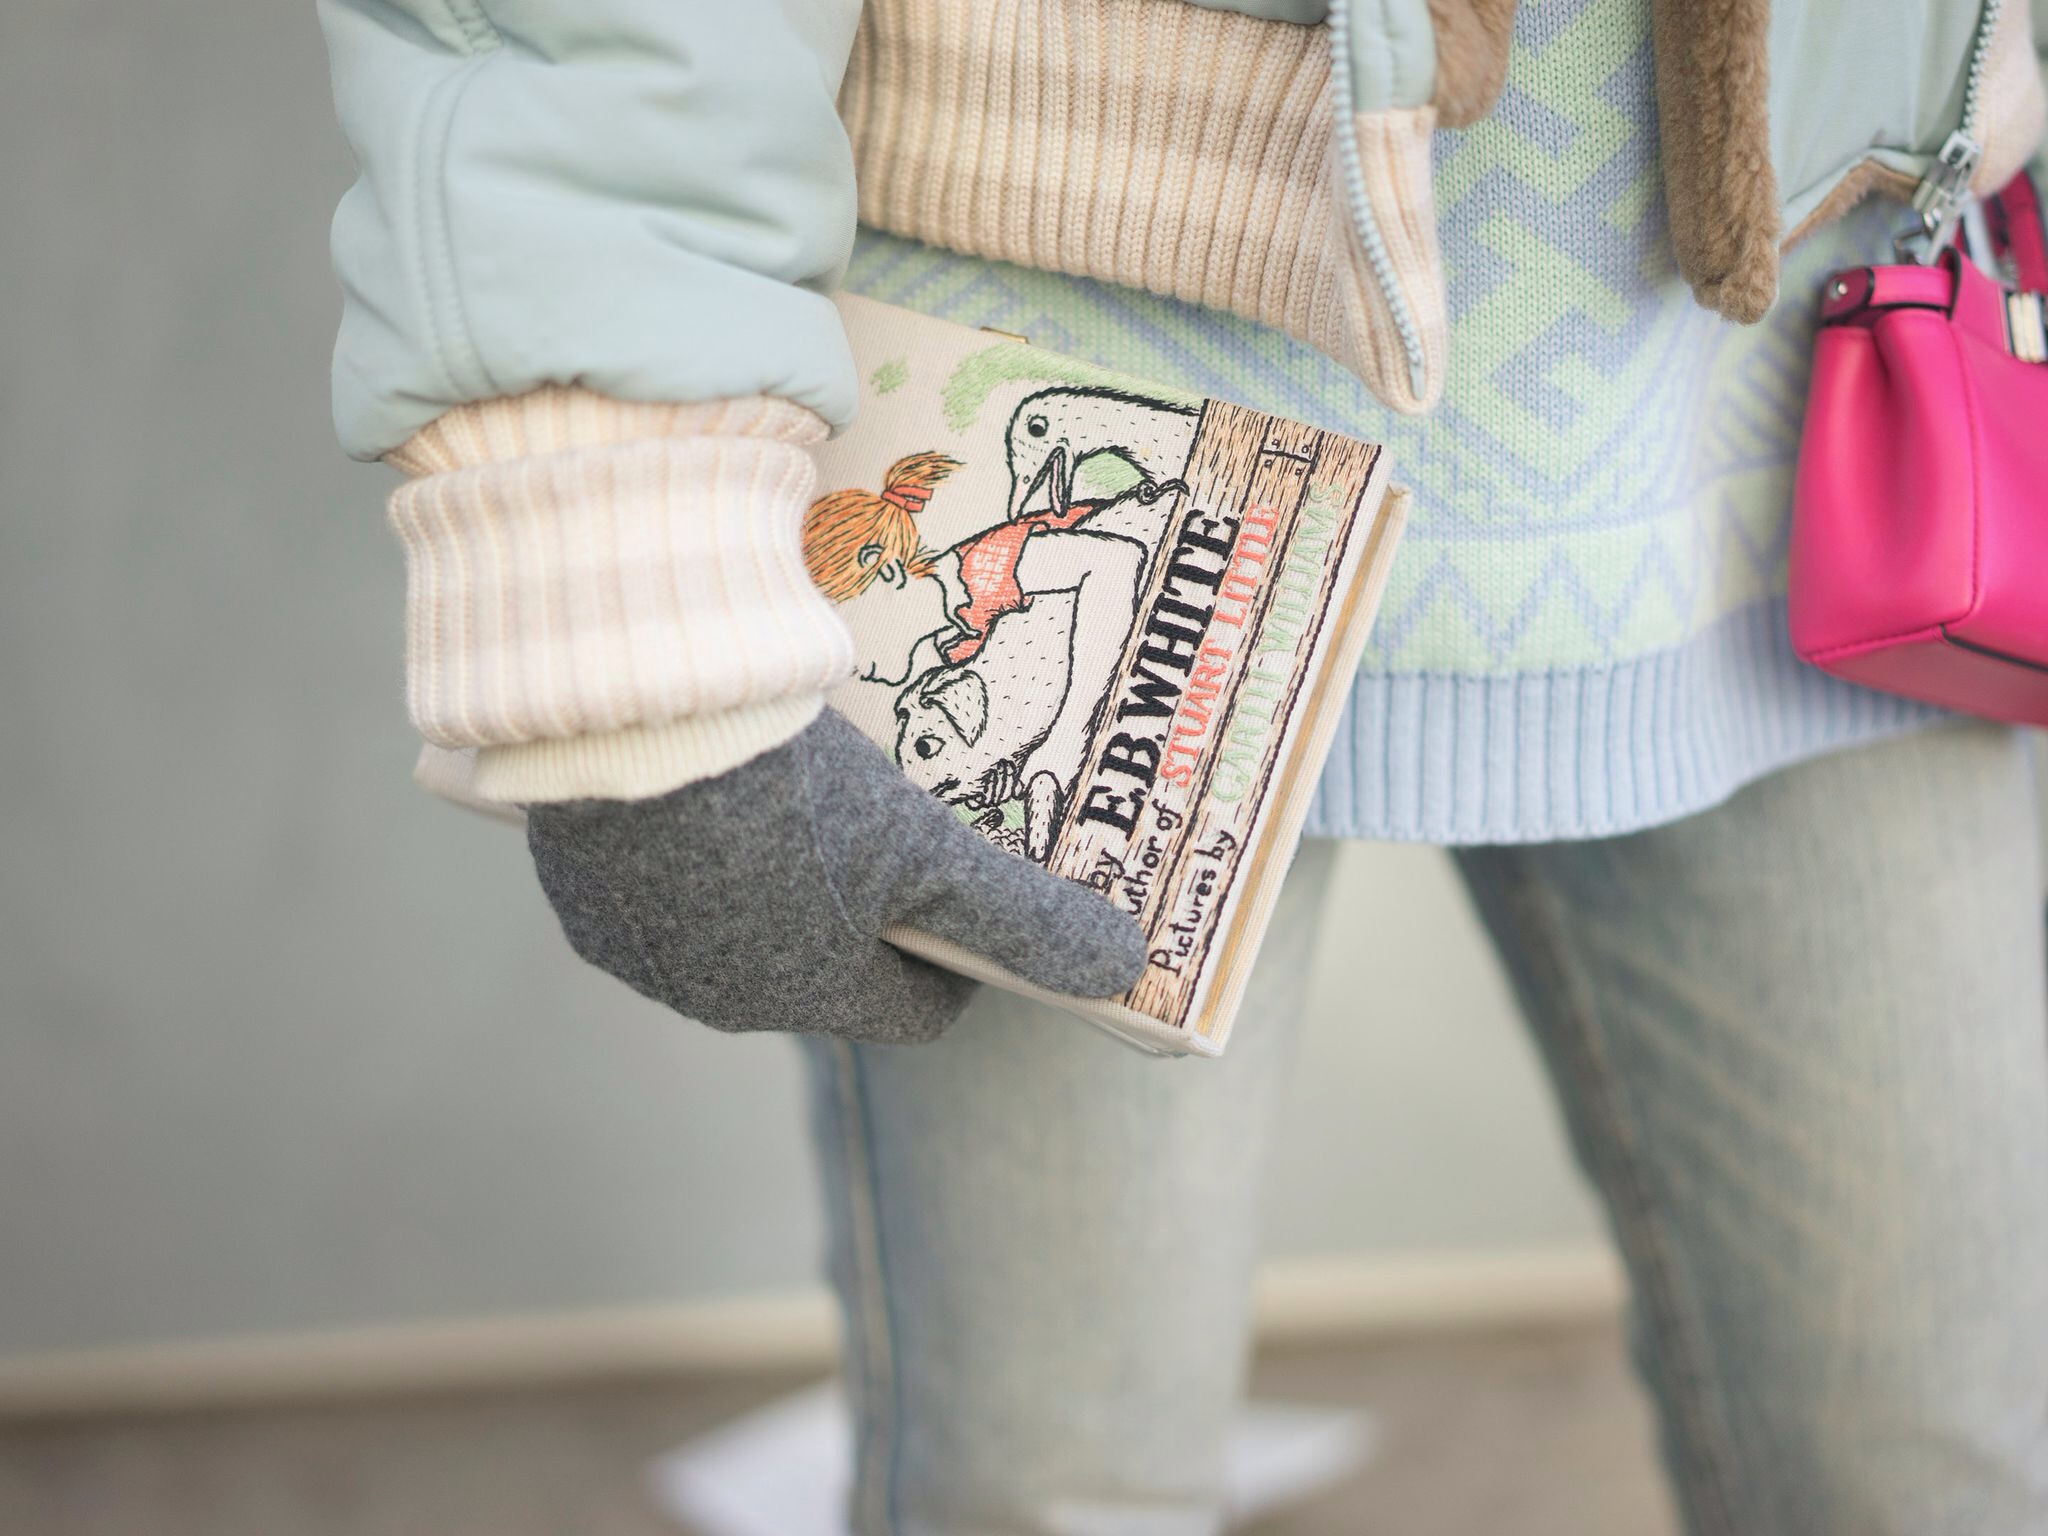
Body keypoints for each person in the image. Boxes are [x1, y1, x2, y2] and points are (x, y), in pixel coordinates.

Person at [316, 2, 2048, 1531]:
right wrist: (622, 571)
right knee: (1049, 1485)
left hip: (1808, 363)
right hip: (1058, 316)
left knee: (1940, 1472)